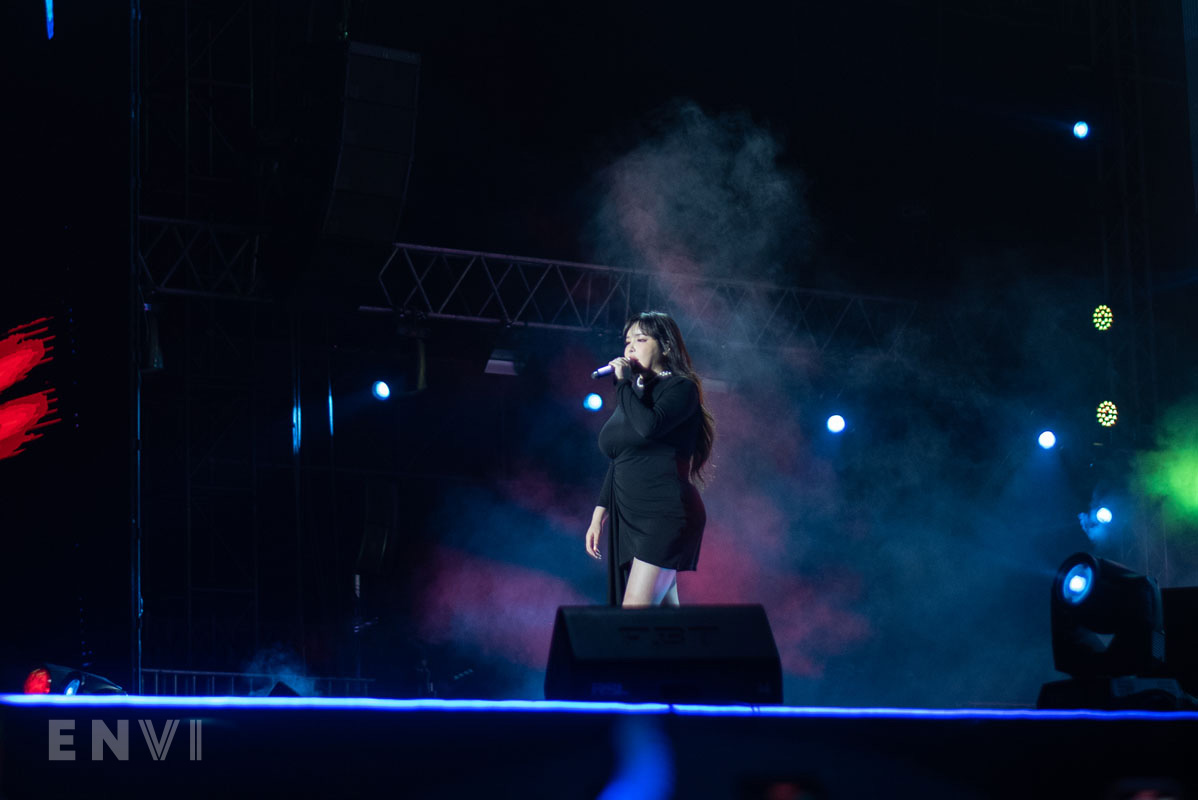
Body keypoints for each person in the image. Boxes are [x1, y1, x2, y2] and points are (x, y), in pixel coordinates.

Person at [585, 311, 715, 607]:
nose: (630, 346)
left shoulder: (681, 388)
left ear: (665, 346)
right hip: (629, 515)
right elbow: (620, 457)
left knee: (634, 616)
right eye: (627, 341)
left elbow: (650, 427)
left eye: (641, 339)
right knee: (662, 623)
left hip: (664, 513)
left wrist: (622, 384)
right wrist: (598, 515)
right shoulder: (634, 394)